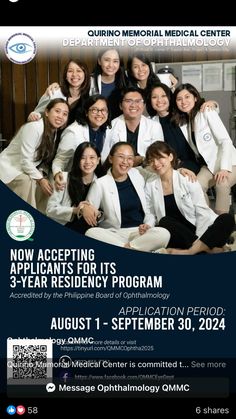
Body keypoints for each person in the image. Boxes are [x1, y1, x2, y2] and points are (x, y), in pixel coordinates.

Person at [145, 141, 235, 254]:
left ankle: (190, 251)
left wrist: (199, 237)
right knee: (164, 221)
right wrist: (147, 225)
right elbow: (151, 213)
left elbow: (202, 211)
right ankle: (208, 249)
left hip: (198, 228)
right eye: (151, 160)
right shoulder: (150, 184)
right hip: (176, 233)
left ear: (170, 157)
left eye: (159, 158)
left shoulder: (186, 178)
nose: (156, 163)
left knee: (227, 219)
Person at [84, 142, 170, 251]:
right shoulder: (100, 184)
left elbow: (159, 173)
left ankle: (127, 248)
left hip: (139, 232)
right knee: (91, 233)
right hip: (113, 233)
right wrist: (84, 208)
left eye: (130, 158)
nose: (125, 162)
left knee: (164, 233)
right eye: (121, 157)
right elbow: (90, 213)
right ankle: (139, 249)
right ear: (111, 159)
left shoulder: (137, 174)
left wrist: (148, 224)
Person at [172, 83, 236, 214]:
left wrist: (224, 168)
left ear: (195, 98)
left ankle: (222, 222)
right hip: (210, 165)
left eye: (187, 97)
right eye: (179, 99)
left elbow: (225, 141)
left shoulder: (206, 111)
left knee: (222, 184)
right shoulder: (185, 122)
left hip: (229, 161)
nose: (183, 101)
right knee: (196, 186)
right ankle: (207, 218)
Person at [0, 99, 69, 211]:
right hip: (9, 168)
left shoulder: (53, 131)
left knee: (48, 184)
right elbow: (25, 161)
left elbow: (40, 158)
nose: (60, 116)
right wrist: (40, 179)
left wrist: (44, 176)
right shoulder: (34, 127)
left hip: (24, 168)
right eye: (57, 111)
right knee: (28, 181)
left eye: (65, 114)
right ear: (47, 112)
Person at [146, 82, 219, 179]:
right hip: (169, 165)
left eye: (163, 96)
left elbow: (202, 109)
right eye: (154, 97)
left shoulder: (182, 113)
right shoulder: (150, 123)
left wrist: (213, 104)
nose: (159, 100)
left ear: (170, 97)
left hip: (193, 162)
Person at [52, 95, 111, 189]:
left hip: (96, 180)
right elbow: (60, 160)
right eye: (94, 110)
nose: (99, 114)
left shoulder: (108, 130)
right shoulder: (73, 132)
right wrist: (57, 174)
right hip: (74, 181)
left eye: (103, 110)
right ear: (86, 112)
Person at [46, 142, 101, 234]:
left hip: (90, 226)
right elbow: (50, 209)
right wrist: (76, 210)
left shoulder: (101, 182)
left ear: (98, 160)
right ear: (77, 160)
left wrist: (97, 213)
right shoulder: (63, 178)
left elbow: (103, 213)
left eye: (92, 157)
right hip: (65, 225)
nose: (87, 162)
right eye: (83, 158)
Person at [102, 87, 164, 166]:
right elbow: (104, 157)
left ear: (144, 105)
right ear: (121, 106)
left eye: (138, 101)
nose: (133, 105)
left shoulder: (154, 126)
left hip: (147, 171)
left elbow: (159, 157)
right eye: (128, 101)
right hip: (119, 170)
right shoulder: (111, 126)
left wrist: (142, 160)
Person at [28, 59, 90, 125]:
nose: (74, 74)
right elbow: (37, 113)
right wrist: (33, 116)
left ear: (85, 75)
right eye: (70, 71)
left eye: (79, 71)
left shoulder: (90, 94)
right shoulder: (54, 92)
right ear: (66, 76)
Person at [90, 48, 127, 119]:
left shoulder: (126, 82)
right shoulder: (90, 82)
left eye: (115, 61)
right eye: (107, 60)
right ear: (99, 61)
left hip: (118, 125)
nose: (111, 65)